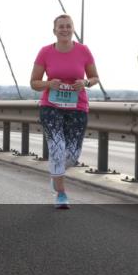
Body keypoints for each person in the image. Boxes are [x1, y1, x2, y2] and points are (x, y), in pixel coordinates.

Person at [30, 15, 100, 209]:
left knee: (72, 155)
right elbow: (34, 83)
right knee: (57, 148)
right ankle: (61, 193)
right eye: (61, 27)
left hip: (77, 108)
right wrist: (48, 84)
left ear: (73, 29)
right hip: (51, 107)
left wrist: (85, 82)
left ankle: (56, 174)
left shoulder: (83, 50)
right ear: (54, 31)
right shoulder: (45, 52)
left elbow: (95, 77)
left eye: (68, 26)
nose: (65, 29)